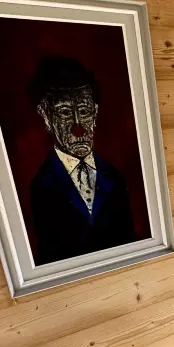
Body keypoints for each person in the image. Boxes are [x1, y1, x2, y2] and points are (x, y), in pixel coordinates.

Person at [28, 56, 137, 265]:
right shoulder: (40, 186)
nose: (78, 127)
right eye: (65, 112)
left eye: (85, 111)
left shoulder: (115, 178)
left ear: (95, 113)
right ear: (46, 116)